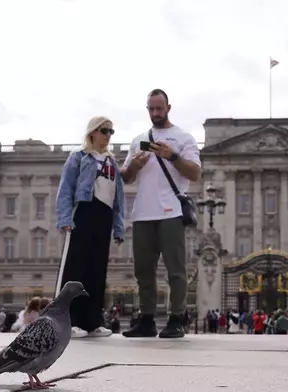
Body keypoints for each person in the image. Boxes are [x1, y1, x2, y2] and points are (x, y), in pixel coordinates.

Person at [121, 89, 201, 339]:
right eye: (151, 109)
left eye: (159, 108)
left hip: (171, 212)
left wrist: (173, 156)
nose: (155, 113)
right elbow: (125, 177)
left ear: (168, 108)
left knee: (175, 269)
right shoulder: (139, 139)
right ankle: (146, 319)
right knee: (143, 270)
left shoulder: (183, 137)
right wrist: (134, 165)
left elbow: (195, 173)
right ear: (148, 110)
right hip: (143, 212)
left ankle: (176, 318)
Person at [56, 116, 125, 338]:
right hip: (84, 211)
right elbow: (65, 188)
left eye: (111, 132)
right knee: (76, 269)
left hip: (103, 215)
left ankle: (92, 321)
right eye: (105, 131)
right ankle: (69, 321)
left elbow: (118, 199)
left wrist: (119, 227)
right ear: (93, 133)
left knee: (97, 270)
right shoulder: (79, 157)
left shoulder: (112, 163)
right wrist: (65, 218)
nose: (108, 136)